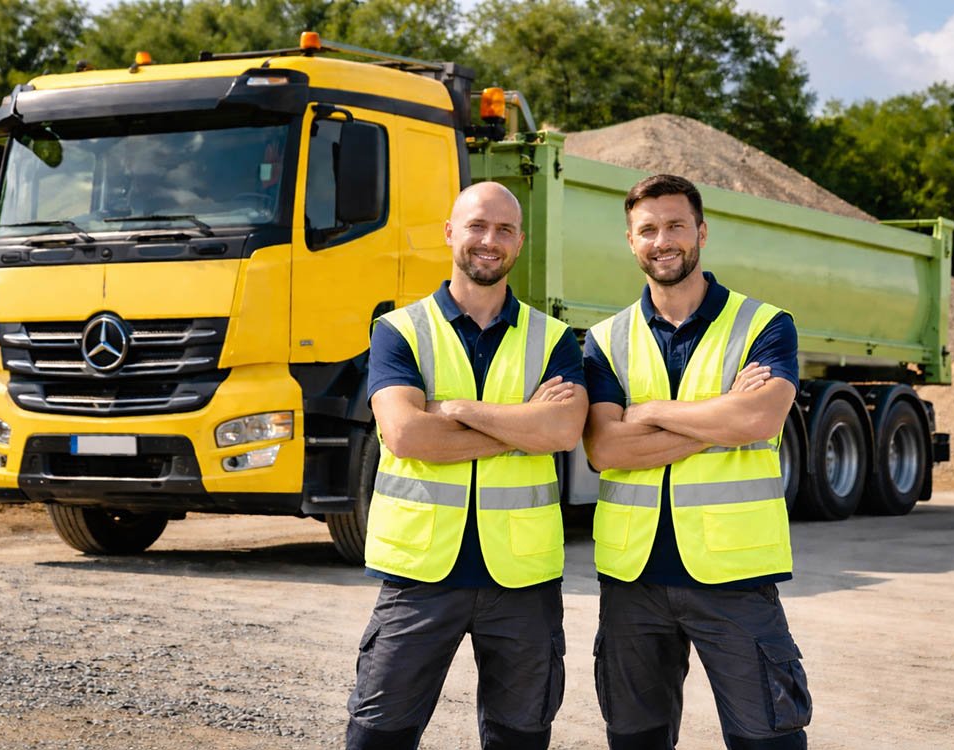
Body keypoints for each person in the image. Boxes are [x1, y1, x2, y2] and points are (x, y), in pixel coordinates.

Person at [346, 181, 588, 749]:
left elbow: (563, 430)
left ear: (520, 242)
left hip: (522, 578)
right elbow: (405, 434)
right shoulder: (400, 330)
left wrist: (459, 411)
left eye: (504, 229)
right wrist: (519, 429)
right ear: (450, 233)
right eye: (477, 225)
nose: (489, 240)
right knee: (378, 735)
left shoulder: (552, 339)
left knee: (520, 737)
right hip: (420, 574)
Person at [582, 174, 812, 750]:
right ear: (631, 242)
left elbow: (758, 421)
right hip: (632, 581)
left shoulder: (764, 324)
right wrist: (720, 417)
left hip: (734, 576)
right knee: (635, 740)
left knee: (769, 739)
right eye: (648, 229)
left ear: (702, 233)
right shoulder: (605, 339)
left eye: (676, 225)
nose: (664, 240)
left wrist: (652, 411)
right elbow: (605, 448)